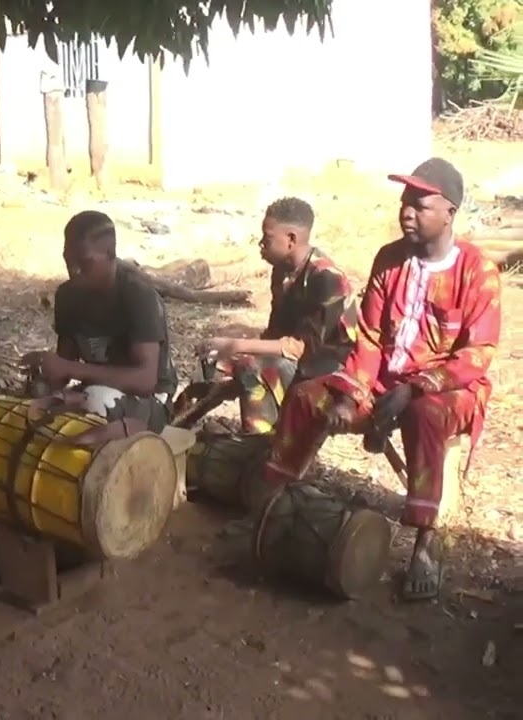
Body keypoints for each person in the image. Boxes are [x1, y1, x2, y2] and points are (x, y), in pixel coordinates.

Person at [259, 158, 500, 602]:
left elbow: (478, 354)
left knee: (426, 414)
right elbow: (369, 336)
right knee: (307, 398)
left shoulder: (476, 270)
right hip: (383, 381)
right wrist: (350, 396)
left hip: (446, 389)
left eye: (420, 205)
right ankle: (276, 506)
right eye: (405, 202)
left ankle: (425, 543)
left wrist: (418, 386)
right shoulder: (389, 259)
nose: (406, 212)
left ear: (450, 212)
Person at [177, 197, 356, 433]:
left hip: (328, 372)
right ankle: (176, 427)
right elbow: (276, 334)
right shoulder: (282, 272)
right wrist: (232, 347)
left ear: (291, 239)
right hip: (295, 361)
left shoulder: (327, 279)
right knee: (212, 360)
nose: (261, 244)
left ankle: (260, 443)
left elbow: (301, 348)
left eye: (267, 238)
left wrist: (237, 345)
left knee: (251, 367)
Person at [23, 211, 177, 432]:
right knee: (31, 404)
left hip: (150, 401)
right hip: (95, 390)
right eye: (68, 259)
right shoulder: (67, 295)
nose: (73, 269)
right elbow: (65, 363)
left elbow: (145, 381)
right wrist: (44, 375)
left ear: (109, 254)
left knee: (96, 400)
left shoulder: (138, 296)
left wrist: (69, 369)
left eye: (84, 262)